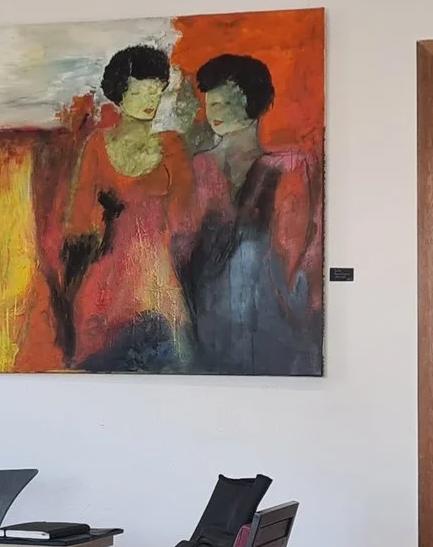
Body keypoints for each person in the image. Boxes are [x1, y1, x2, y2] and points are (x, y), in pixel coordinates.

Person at [58, 45, 196, 371]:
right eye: (139, 91)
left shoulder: (172, 146)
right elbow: (78, 223)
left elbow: (185, 221)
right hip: (105, 283)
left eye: (156, 92)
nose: (150, 100)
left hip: (158, 281)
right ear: (119, 94)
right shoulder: (96, 146)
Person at [183, 53, 321, 374]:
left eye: (228, 103)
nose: (216, 112)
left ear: (255, 103)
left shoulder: (286, 167)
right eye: (211, 103)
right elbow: (184, 244)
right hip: (206, 315)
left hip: (269, 320)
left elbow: (295, 256)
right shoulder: (199, 167)